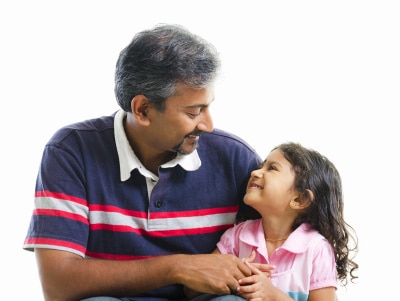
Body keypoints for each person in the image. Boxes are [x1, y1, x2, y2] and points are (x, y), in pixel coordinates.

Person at [23, 24, 267, 301]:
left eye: (208, 107)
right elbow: (58, 286)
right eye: (194, 112)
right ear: (142, 110)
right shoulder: (71, 151)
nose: (208, 125)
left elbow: (297, 244)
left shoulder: (235, 158)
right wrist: (177, 267)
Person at [187, 142, 359, 301]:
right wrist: (231, 274)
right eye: (262, 166)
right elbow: (191, 291)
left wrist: (274, 296)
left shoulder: (316, 249)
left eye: (272, 168)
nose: (255, 172)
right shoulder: (238, 236)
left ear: (300, 199)